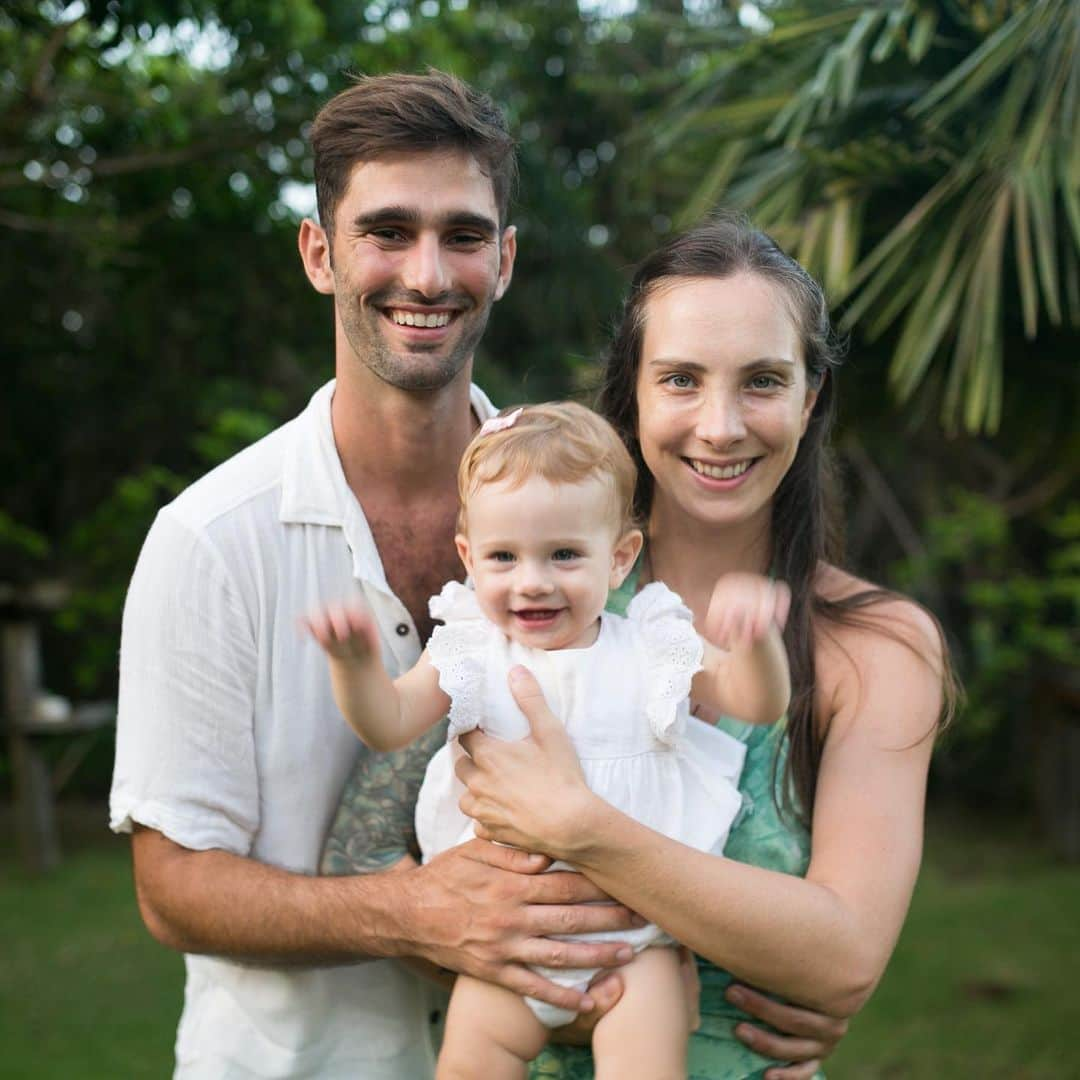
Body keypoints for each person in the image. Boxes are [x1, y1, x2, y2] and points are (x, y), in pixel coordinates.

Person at [108, 71, 648, 1079]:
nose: (430, 273)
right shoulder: (210, 541)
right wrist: (416, 912)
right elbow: (170, 887)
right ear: (320, 253)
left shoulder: (592, 514)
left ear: (507, 259)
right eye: (387, 231)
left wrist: (753, 995)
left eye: (465, 235)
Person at [446, 217, 957, 1080]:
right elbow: (405, 881)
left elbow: (841, 959)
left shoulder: (876, 646)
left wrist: (587, 831)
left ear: (812, 396)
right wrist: (586, 995)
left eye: (762, 381)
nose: (720, 427)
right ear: (632, 393)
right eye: (681, 379)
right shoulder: (531, 598)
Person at [307, 400, 791, 1078]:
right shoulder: (471, 647)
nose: (532, 581)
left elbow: (757, 699)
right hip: (509, 941)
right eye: (504, 557)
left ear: (620, 557)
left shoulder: (652, 645)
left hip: (635, 944)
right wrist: (354, 666)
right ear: (469, 557)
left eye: (564, 554)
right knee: (469, 1065)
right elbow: (387, 720)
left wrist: (758, 643)